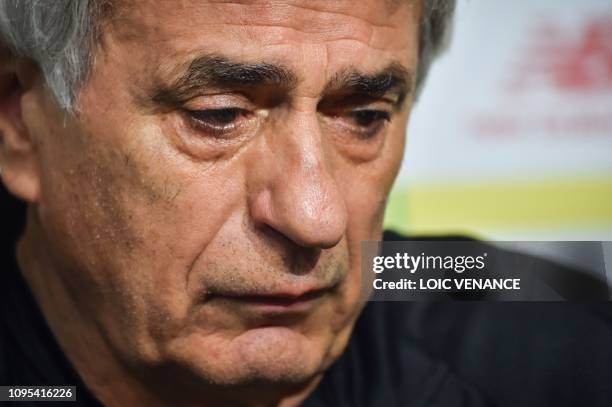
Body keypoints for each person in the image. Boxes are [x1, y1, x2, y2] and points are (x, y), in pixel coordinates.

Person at [1, 1, 611, 406]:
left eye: (364, 117)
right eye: (219, 116)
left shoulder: (554, 361)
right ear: (18, 121)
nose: (316, 218)